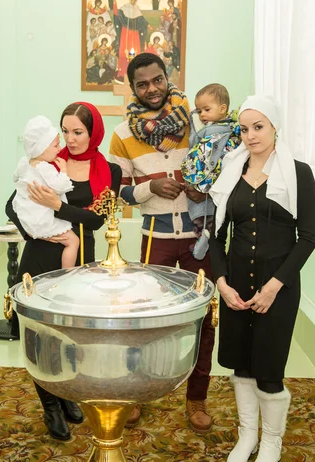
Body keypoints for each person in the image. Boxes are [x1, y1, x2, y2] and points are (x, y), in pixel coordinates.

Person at [109, 52, 215, 433]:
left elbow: (222, 165)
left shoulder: (196, 121)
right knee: (145, 320)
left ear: (167, 78)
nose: (151, 89)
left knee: (204, 317)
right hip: (156, 238)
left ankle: (196, 397)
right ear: (133, 88)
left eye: (157, 80)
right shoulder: (122, 135)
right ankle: (138, 393)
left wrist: (205, 190)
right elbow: (116, 190)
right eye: (142, 84)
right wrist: (149, 186)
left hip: (200, 238)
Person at [208, 95, 315, 461]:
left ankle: (271, 441)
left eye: (259, 127)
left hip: (279, 287)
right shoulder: (230, 172)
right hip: (236, 286)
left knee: (269, 369)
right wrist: (222, 283)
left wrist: (274, 287)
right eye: (244, 128)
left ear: (274, 127)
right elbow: (215, 237)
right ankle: (247, 437)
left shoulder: (298, 172)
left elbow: (308, 239)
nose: (250, 136)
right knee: (241, 366)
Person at [6, 102, 122, 442]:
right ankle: (51, 407)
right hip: (42, 255)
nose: (70, 140)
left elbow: (98, 220)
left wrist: (59, 207)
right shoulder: (45, 161)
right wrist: (39, 232)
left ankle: (67, 394)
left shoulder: (109, 171)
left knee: (72, 335)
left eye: (78, 132)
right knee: (42, 336)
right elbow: (10, 205)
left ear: (93, 132)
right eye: (65, 131)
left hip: (82, 257)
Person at [181, 83, 240, 259]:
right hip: (205, 176)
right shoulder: (226, 127)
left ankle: (203, 235)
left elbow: (194, 142)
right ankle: (203, 233)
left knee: (204, 212)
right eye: (199, 111)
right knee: (205, 212)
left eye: (207, 109)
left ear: (223, 109)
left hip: (208, 176)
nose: (202, 115)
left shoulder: (219, 129)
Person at [13, 116, 78, 269]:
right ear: (42, 148)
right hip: (43, 221)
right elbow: (61, 187)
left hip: (28, 220)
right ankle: (66, 274)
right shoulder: (44, 168)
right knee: (73, 242)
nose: (59, 148)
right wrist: (63, 171)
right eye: (56, 145)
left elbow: (15, 177)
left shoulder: (26, 163)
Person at [112, 0, 150, 81]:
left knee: (136, 51)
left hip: (134, 33)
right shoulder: (125, 7)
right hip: (125, 32)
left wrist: (148, 24)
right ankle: (122, 73)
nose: (133, 1)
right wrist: (115, 7)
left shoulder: (136, 8)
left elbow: (141, 20)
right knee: (124, 51)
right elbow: (118, 14)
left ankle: (135, 74)